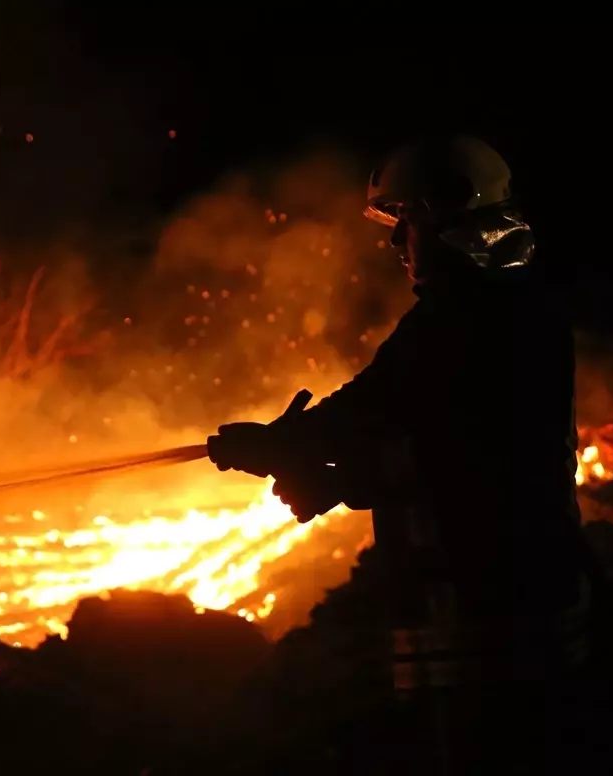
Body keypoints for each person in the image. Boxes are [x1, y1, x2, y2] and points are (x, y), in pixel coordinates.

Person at [208, 136, 590, 772]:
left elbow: (472, 465)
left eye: (405, 220)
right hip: (513, 615)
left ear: (444, 219)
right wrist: (290, 447)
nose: (394, 241)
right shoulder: (495, 310)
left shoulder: (472, 321)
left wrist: (313, 465)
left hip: (493, 625)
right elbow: (385, 415)